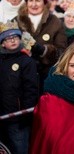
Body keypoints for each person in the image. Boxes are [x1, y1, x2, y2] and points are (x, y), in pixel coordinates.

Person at [15, 0, 67, 94]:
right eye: (30, 0)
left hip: (46, 76)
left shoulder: (55, 22)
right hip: (20, 75)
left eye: (38, 0)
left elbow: (62, 52)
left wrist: (44, 50)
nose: (34, 4)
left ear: (44, 2)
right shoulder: (16, 21)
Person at [0, 21, 39, 154]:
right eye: (8, 38)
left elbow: (31, 89)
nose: (12, 40)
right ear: (2, 43)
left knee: (19, 148)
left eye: (15, 37)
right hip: (2, 115)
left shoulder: (27, 61)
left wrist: (26, 113)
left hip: (17, 118)